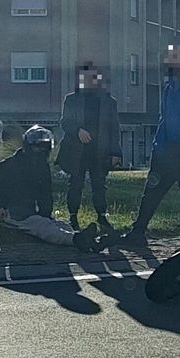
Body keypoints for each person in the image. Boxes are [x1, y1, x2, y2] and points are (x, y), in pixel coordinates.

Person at [126, 45, 180, 248]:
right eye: (168, 57)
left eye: (174, 56)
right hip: (165, 151)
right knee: (151, 192)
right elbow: (164, 119)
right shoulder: (169, 88)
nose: (169, 61)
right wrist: (158, 146)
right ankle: (138, 232)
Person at [0, 125, 107, 251]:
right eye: (37, 148)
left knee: (62, 226)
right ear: (28, 146)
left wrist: (46, 215)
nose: (40, 151)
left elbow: (46, 194)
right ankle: (78, 240)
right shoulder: (10, 164)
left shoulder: (42, 167)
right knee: (43, 227)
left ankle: (89, 242)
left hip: (32, 214)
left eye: (44, 149)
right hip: (13, 215)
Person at [57, 61, 123, 236]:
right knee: (75, 184)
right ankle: (73, 216)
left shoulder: (109, 102)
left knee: (99, 185)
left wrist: (115, 152)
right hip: (77, 151)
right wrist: (77, 130)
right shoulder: (71, 99)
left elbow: (114, 129)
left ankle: (102, 216)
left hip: (99, 151)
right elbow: (65, 122)